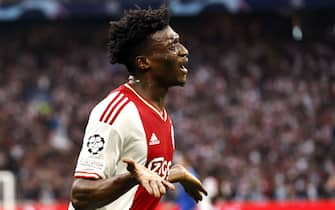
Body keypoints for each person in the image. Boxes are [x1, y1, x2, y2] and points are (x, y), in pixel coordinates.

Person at [68, 7, 207, 210]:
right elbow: (80, 194)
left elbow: (146, 177)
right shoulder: (116, 112)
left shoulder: (163, 117)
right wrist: (133, 178)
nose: (183, 51)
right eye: (172, 46)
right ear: (143, 62)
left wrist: (173, 172)